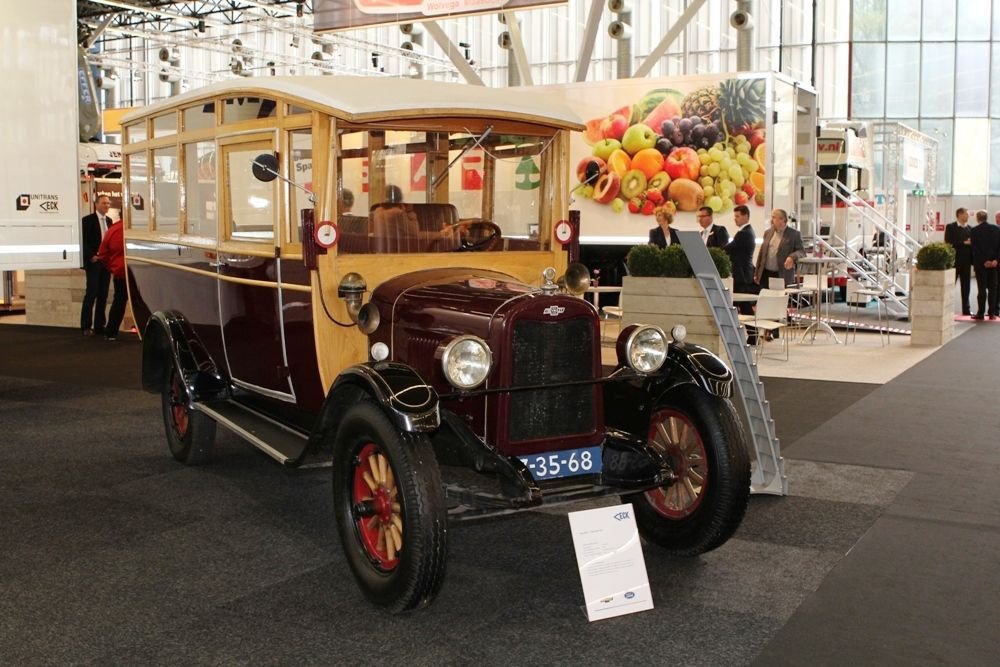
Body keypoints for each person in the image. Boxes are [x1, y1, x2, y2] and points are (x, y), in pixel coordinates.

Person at [79, 195, 112, 336]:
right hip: (94, 262)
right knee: (91, 293)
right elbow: (83, 241)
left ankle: (99, 325)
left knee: (103, 294)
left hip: (106, 262)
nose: (107, 205)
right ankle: (86, 326)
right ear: (96, 204)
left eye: (108, 203)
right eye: (104, 203)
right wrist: (91, 256)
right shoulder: (87, 221)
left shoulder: (110, 221)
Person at [95, 216, 128, 340]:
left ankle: (110, 333)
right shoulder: (137, 229)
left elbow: (102, 254)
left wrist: (112, 267)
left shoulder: (113, 229)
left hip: (120, 272)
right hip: (138, 271)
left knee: (119, 301)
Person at [754, 208, 804, 288]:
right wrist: (757, 273)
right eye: (773, 217)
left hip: (781, 274)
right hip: (765, 273)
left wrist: (791, 257)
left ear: (783, 219)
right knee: (766, 298)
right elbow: (761, 254)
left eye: (775, 217)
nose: (773, 220)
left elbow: (801, 251)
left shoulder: (794, 234)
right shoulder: (768, 233)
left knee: (780, 298)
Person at [726, 205, 757, 314]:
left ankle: (752, 330)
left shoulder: (744, 233)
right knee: (743, 305)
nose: (735, 219)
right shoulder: (747, 231)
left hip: (742, 275)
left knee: (744, 305)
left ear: (746, 216)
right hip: (743, 274)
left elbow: (729, 249)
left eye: (738, 216)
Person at [970, 210, 1000, 320]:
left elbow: (975, 249)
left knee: (981, 289)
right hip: (994, 265)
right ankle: (992, 313)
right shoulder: (997, 229)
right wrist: (996, 260)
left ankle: (980, 313)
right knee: (993, 289)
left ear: (977, 218)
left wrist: (984, 261)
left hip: (981, 265)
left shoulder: (974, 230)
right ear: (987, 217)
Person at [944, 207, 973, 315]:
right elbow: (948, 242)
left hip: (966, 261)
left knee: (966, 286)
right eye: (966, 214)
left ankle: (966, 309)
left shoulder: (970, 228)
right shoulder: (951, 227)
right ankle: (947, 309)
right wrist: (963, 243)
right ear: (960, 215)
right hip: (954, 261)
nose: (968, 216)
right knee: (951, 285)